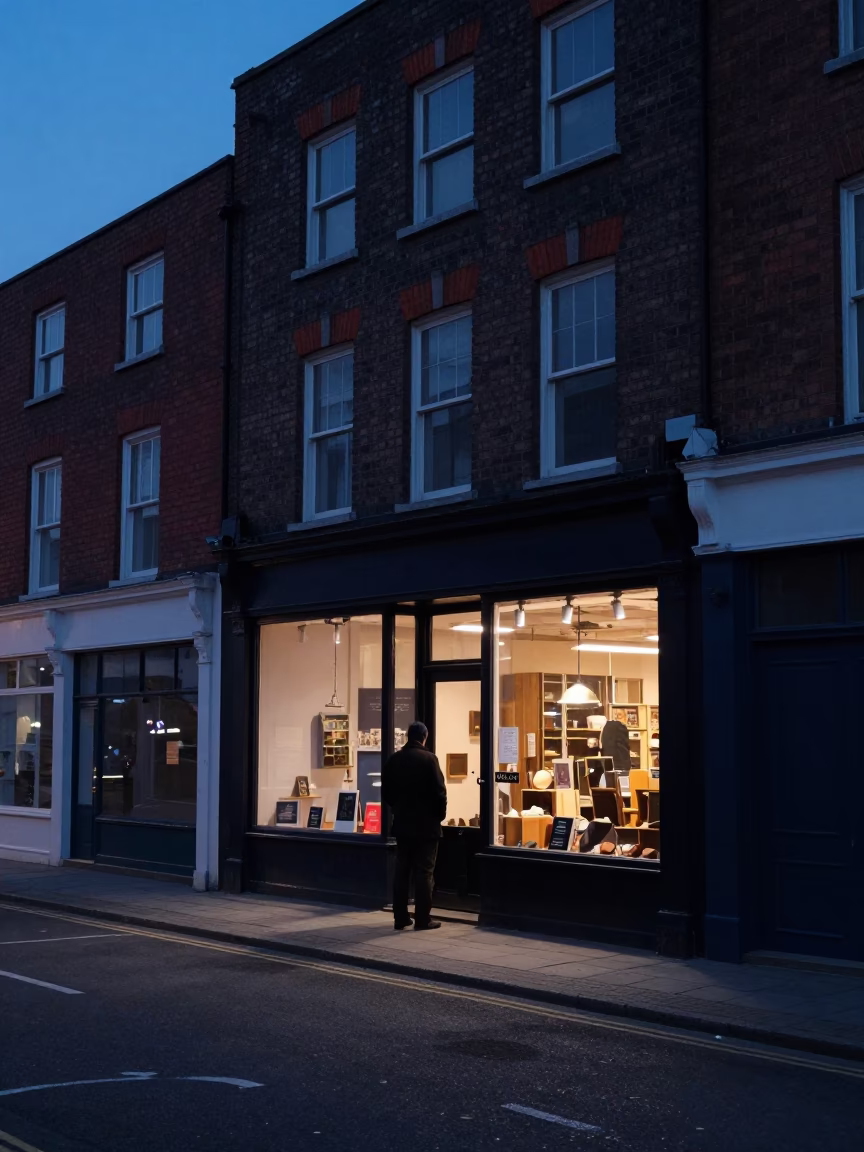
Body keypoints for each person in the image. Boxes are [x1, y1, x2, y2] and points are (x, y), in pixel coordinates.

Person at [381, 720, 447, 931]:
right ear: (424, 737)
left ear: (408, 736)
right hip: (427, 827)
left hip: (402, 825)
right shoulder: (430, 759)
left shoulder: (394, 760)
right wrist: (438, 817)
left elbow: (387, 794)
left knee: (402, 871)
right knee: (424, 872)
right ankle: (422, 918)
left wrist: (399, 810)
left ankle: (400, 918)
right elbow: (440, 793)